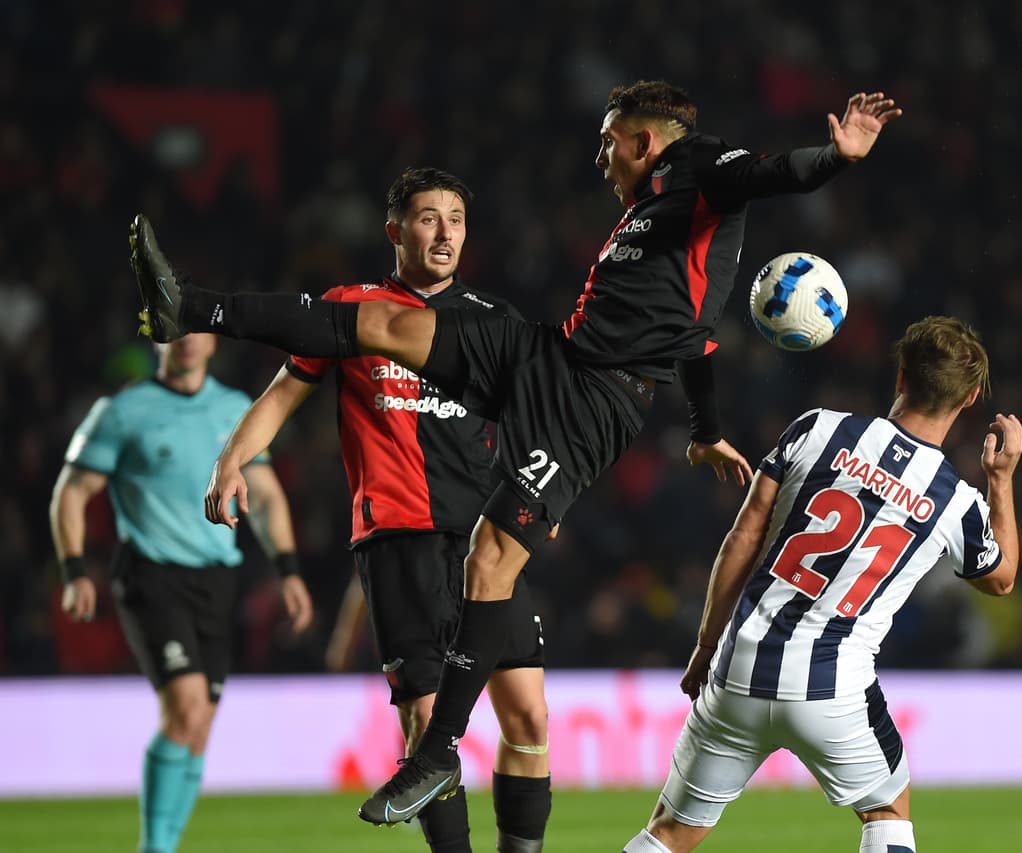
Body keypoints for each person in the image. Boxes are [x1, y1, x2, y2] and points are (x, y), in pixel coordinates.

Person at [127, 81, 903, 824]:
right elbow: (694, 337)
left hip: (592, 401)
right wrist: (703, 428)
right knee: (380, 321)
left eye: (608, 146)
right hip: (551, 356)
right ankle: (186, 306)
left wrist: (838, 157)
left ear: (642, 140)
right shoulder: (661, 220)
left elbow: (773, 174)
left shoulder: (699, 167)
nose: (600, 161)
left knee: (491, 560)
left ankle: (436, 751)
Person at [203, 167, 553, 853]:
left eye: (455, 217)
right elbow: (282, 392)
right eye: (428, 217)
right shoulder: (350, 309)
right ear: (395, 230)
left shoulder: (493, 319)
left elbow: (535, 422)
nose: (445, 231)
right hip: (400, 542)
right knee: (427, 726)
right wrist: (231, 458)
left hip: (488, 541)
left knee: (529, 717)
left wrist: (547, 492)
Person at [621, 316, 1022, 853]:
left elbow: (741, 540)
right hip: (834, 687)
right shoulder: (954, 499)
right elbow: (1001, 580)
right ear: (971, 397)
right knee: (887, 810)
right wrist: (1000, 479)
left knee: (669, 833)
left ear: (901, 376)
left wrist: (704, 647)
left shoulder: (818, 428)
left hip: (741, 667)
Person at [50, 332, 313, 853]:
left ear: (213, 341)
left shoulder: (237, 409)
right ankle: (155, 847)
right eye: (174, 330)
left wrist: (288, 570)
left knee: (199, 729)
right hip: (152, 575)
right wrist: (75, 569)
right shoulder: (122, 411)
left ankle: (165, 842)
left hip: (216, 581)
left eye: (197, 328)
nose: (188, 341)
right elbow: (71, 491)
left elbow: (263, 495)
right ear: (156, 339)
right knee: (187, 711)